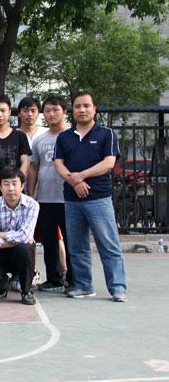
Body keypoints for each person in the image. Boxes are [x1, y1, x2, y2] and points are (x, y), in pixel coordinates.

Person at [54, 91, 127, 302]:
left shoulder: (106, 134)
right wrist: (74, 182)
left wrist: (81, 176)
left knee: (108, 245)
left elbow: (108, 163)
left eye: (86, 106)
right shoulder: (64, 137)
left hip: (99, 199)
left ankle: (118, 288)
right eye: (78, 106)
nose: (82, 110)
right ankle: (84, 286)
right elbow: (58, 164)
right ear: (72, 110)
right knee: (77, 246)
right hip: (72, 199)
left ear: (94, 108)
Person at [29, 96, 72, 292]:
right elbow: (33, 168)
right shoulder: (39, 139)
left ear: (64, 112)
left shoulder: (72, 136)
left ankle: (73, 278)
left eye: (55, 110)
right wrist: (31, 194)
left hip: (67, 198)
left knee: (71, 240)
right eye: (47, 110)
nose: (51, 114)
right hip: (44, 198)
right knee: (49, 241)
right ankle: (53, 279)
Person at [0, 167, 40, 306]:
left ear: (22, 186)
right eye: (6, 184)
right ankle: (3, 285)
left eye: (14, 183)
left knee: (25, 248)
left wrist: (1, 234)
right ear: (0, 187)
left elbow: (26, 235)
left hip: (20, 251)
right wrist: (17, 240)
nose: (11, 188)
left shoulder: (32, 205)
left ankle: (26, 291)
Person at [0, 94, 31, 174]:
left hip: (15, 181)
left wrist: (17, 179)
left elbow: (25, 162)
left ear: (9, 112)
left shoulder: (20, 136)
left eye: (3, 110)